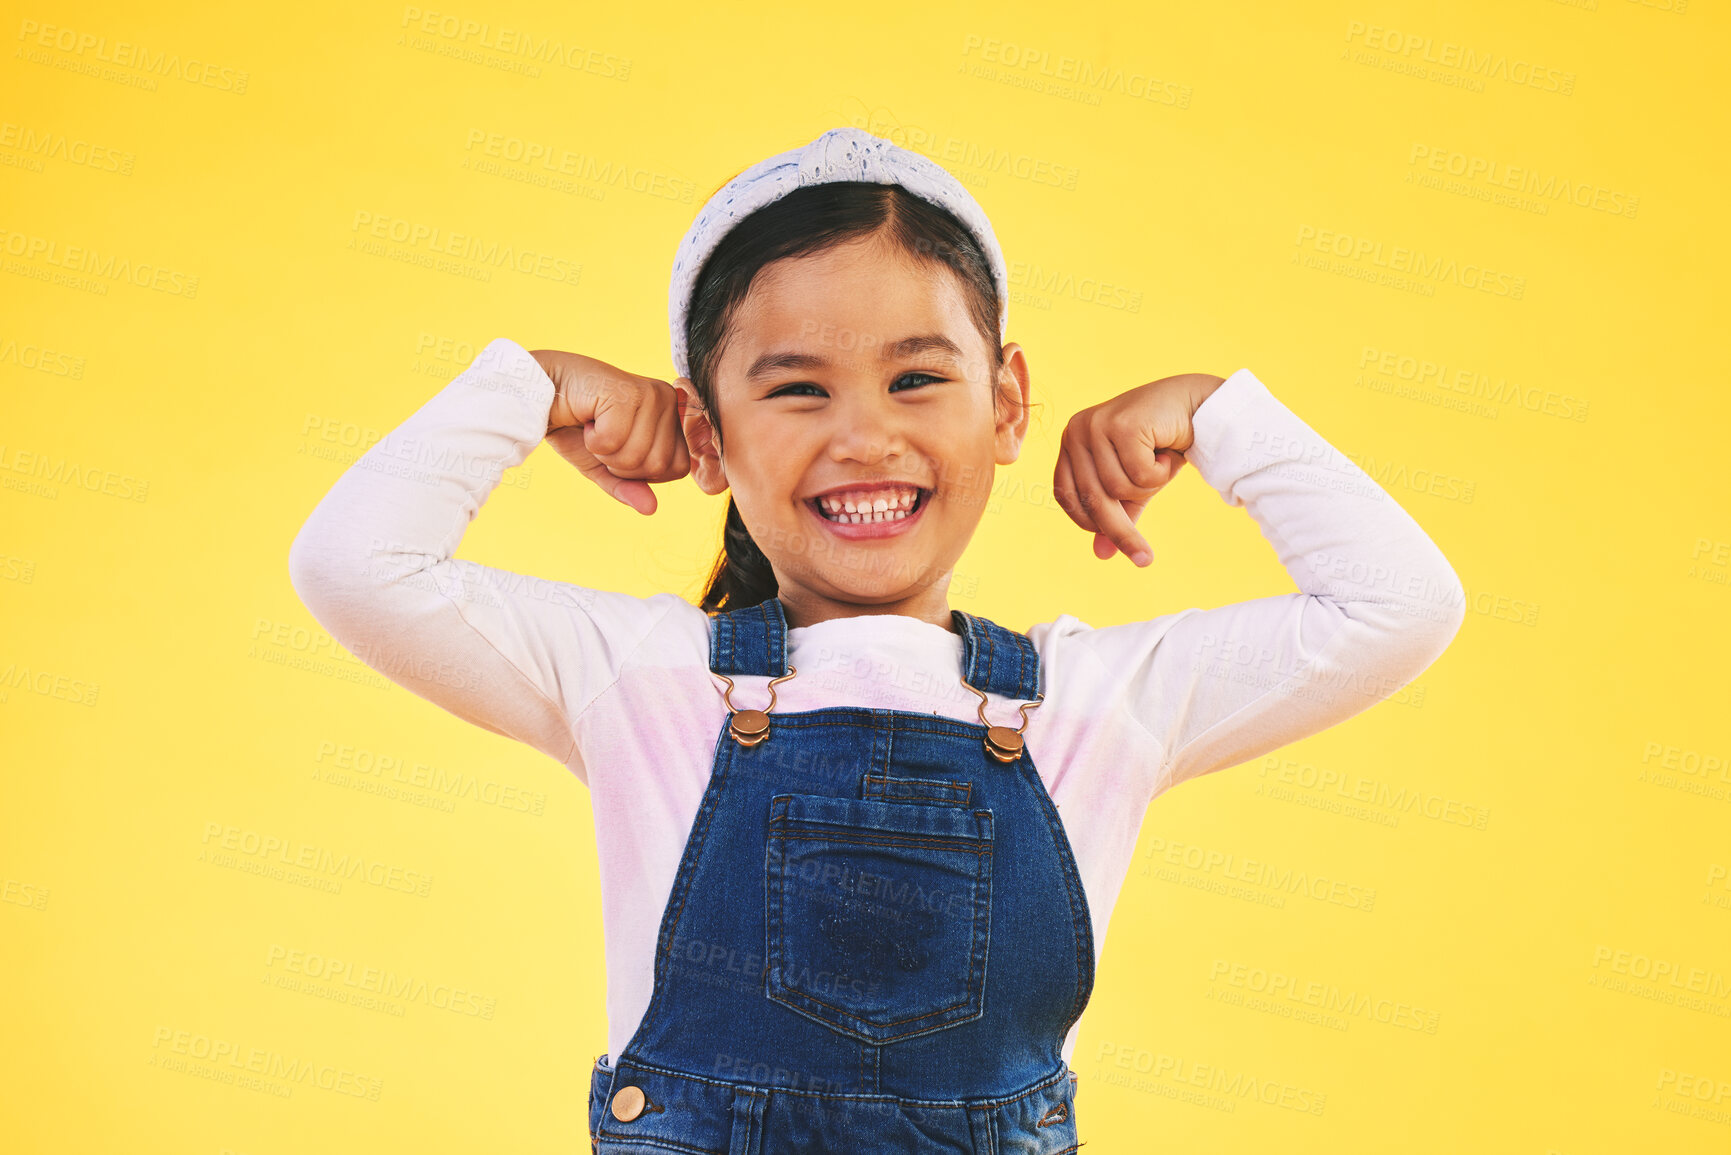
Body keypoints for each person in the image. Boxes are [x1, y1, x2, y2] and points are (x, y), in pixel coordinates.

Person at [288, 126, 1465, 1153]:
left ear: (1006, 405)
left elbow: (1399, 604)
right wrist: (528, 388)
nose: (864, 436)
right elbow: (355, 565)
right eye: (797, 390)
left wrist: (1221, 417)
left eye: (916, 379)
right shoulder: (646, 683)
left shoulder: (1090, 703)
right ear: (705, 433)